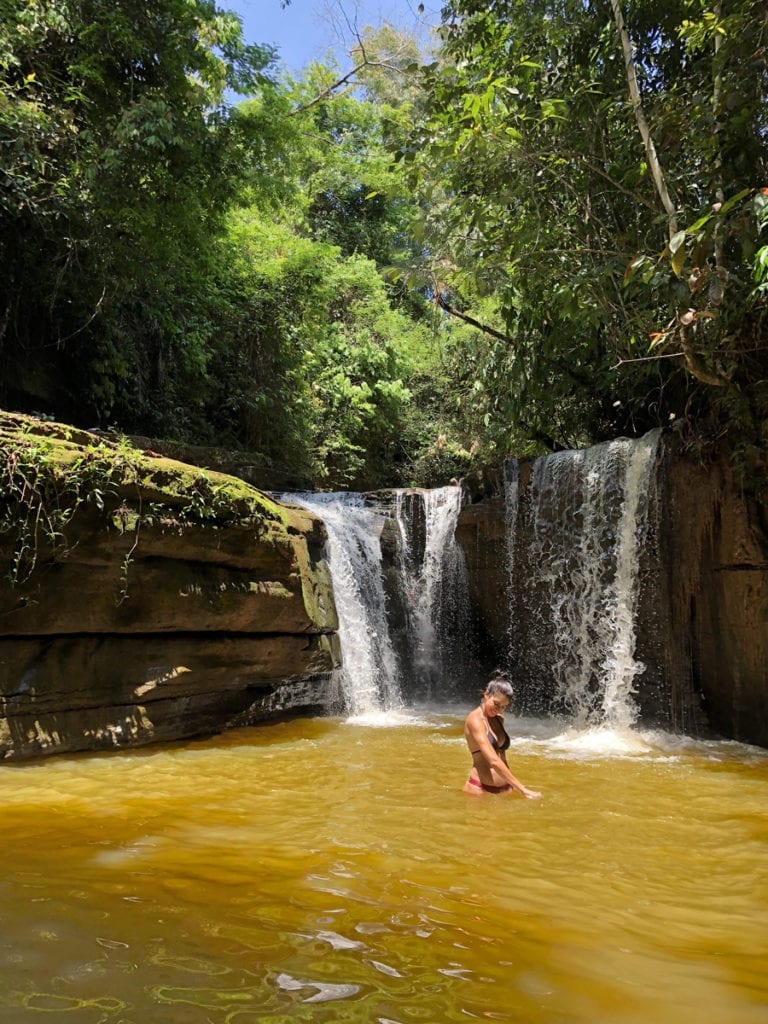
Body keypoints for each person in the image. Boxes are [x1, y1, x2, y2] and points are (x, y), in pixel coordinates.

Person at [463, 673, 541, 798]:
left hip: (505, 789)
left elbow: (502, 756)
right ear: (487, 694)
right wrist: (523, 789)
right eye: (496, 704)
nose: (498, 710)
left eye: (503, 707)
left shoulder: (498, 718)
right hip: (480, 790)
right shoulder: (475, 720)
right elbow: (493, 760)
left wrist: (510, 786)